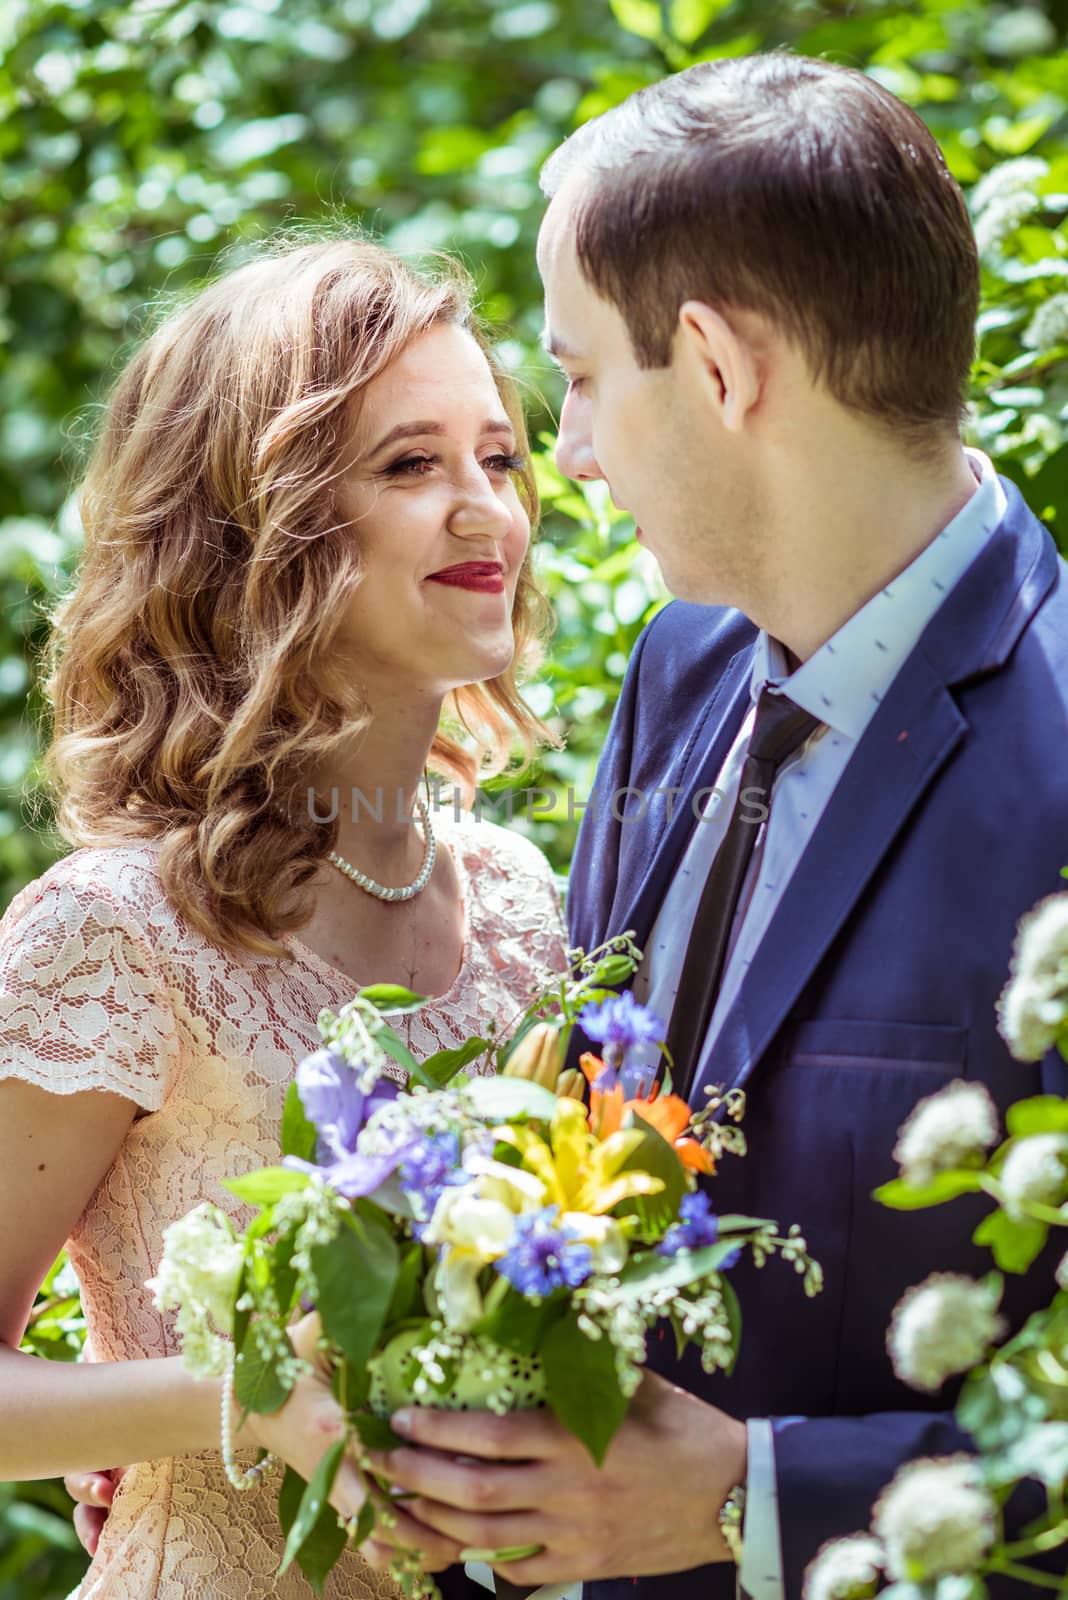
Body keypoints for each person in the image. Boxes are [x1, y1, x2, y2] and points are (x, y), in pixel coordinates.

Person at [336, 51, 1068, 1600]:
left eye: (584, 379)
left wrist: (760, 1499)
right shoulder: (681, 669)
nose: (572, 457)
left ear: (721, 369)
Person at [0, 235, 569, 1598]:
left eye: (498, 457)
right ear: (259, 525)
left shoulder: (524, 900)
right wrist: (237, 1401)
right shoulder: (114, 928)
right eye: (410, 465)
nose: (487, 509)